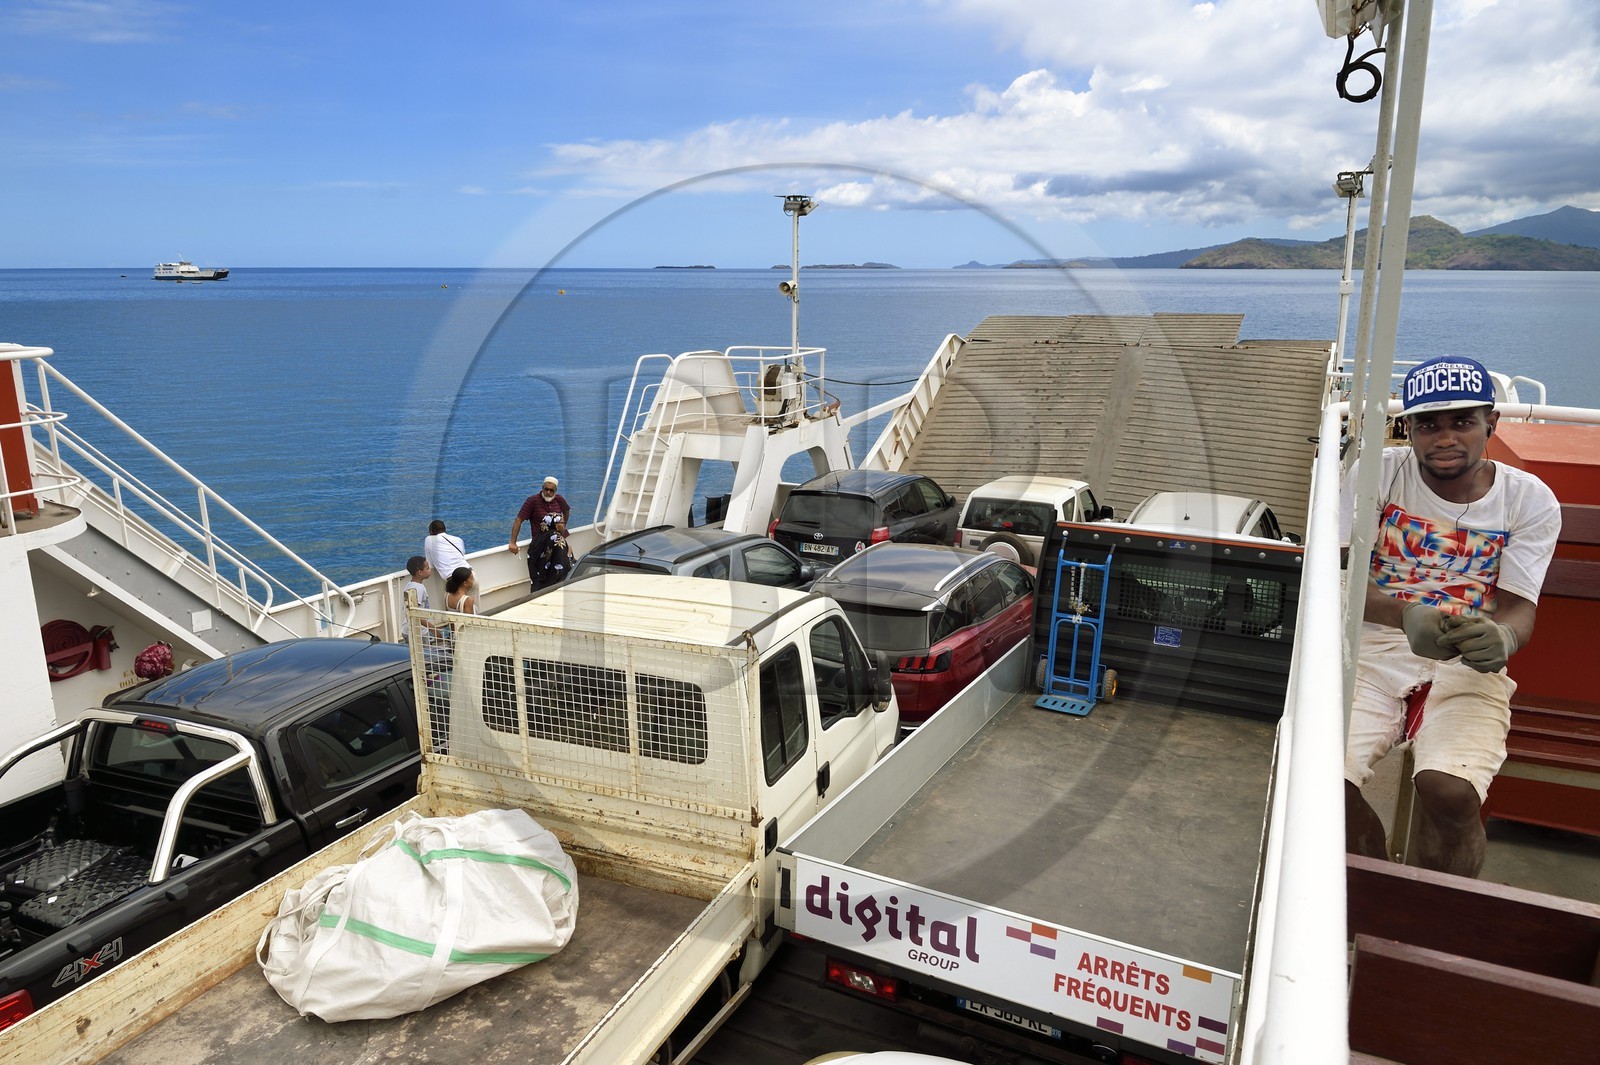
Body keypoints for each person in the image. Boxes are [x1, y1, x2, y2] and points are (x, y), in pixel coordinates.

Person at [1341, 355, 1561, 877]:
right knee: (1320, 779)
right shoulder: (1376, 473)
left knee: (1451, 790)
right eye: (1428, 424)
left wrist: (1503, 637)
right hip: (1372, 650)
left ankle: (1437, 906)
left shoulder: (1529, 500)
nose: (1444, 438)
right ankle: (1377, 901)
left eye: (1462, 422)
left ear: (1491, 424)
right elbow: (1341, 575)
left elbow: (1517, 609)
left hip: (1466, 662)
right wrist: (1405, 616)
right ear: (1409, 429)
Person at [508, 476, 570, 592]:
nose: (548, 492)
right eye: (546, 489)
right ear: (542, 488)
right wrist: (513, 542)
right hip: (540, 545)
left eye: (551, 490)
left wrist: (563, 530)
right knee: (540, 577)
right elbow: (519, 520)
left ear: (555, 491)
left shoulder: (559, 500)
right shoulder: (532, 501)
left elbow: (566, 511)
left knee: (559, 571)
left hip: (557, 545)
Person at [529, 513, 575, 591]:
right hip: (553, 586)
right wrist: (570, 555)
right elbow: (563, 563)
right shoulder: (558, 539)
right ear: (556, 525)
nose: (564, 526)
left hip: (538, 586)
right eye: (562, 523)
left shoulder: (537, 539)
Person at [424, 520, 469, 598]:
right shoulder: (458, 539)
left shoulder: (428, 540)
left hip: (455, 582)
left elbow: (430, 564)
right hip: (470, 575)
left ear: (431, 532)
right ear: (445, 529)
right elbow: (462, 554)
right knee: (473, 608)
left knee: (454, 607)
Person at [399, 556, 436, 643]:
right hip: (418, 631)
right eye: (427, 568)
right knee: (424, 655)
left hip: (407, 629)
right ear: (420, 572)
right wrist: (432, 628)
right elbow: (416, 614)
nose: (430, 569)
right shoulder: (418, 589)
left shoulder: (409, 585)